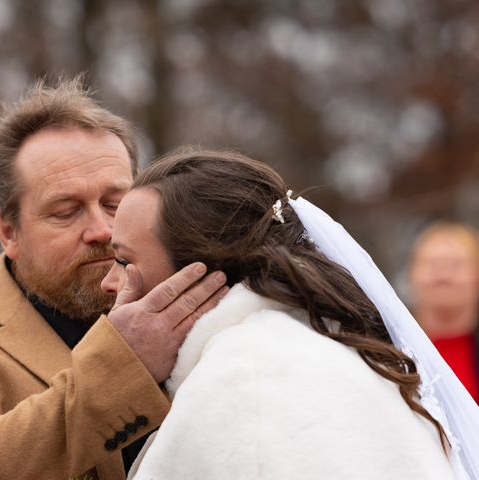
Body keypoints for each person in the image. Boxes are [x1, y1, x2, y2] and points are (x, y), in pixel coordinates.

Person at [0, 79, 227, 480]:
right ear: (8, 231)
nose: (102, 230)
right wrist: (125, 368)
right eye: (65, 210)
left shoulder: (210, 311)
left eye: (115, 203)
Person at [100, 148, 479, 479]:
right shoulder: (311, 346)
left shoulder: (247, 386)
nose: (108, 283)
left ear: (198, 274)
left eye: (122, 259)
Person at [409, 222, 479, 402]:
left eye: (457, 264)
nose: (443, 273)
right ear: (412, 275)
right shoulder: (389, 352)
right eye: (431, 264)